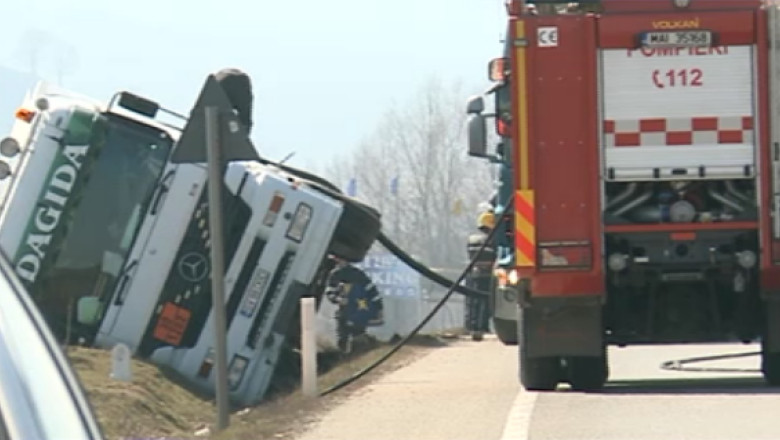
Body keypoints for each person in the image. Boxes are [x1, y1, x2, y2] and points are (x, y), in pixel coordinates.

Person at [324, 257, 384, 353]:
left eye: (340, 259)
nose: (339, 261)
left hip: (358, 311)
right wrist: (338, 299)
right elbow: (330, 292)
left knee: (358, 337)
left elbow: (372, 291)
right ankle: (343, 358)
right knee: (342, 338)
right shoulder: (335, 274)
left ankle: (360, 355)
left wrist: (379, 308)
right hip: (344, 311)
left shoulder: (358, 274)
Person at [465, 210, 497, 341]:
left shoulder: (472, 239)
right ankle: (482, 327)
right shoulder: (492, 240)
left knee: (473, 302)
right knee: (485, 301)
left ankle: (472, 326)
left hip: (473, 274)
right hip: (487, 275)